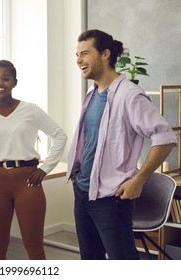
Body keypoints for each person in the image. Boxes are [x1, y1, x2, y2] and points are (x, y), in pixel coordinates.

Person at [67, 29, 177, 260]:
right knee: (90, 260)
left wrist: (139, 179)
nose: (78, 60)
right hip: (84, 192)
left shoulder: (130, 95)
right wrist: (77, 172)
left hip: (111, 198)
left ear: (105, 54)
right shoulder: (92, 92)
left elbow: (165, 138)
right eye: (77, 54)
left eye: (85, 54)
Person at [0, 59, 67, 260]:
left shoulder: (30, 110)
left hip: (28, 180)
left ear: (15, 82)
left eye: (5, 79)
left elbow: (60, 135)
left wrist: (45, 169)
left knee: (34, 248)